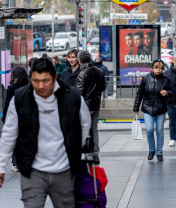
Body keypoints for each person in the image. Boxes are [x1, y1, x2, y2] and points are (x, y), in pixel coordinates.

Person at [0, 58, 91, 207]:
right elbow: (9, 132)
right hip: (32, 171)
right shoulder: (21, 98)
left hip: (63, 170)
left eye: (45, 81)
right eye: (36, 81)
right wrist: (1, 166)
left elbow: (85, 122)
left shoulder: (71, 96)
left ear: (55, 77)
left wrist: (74, 146)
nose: (40, 86)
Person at [134, 60, 173, 161]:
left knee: (159, 131)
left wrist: (167, 93)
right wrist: (136, 107)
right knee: (149, 129)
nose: (158, 70)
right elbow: (140, 93)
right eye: (156, 67)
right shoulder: (146, 78)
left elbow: (173, 92)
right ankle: (152, 150)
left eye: (160, 68)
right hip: (148, 107)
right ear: (152, 68)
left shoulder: (166, 79)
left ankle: (159, 152)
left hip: (161, 108)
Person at [76, 50, 106, 163]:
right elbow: (103, 87)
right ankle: (95, 154)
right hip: (96, 105)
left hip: (85, 106)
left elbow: (79, 92)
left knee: (84, 130)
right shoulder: (99, 71)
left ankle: (87, 152)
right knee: (94, 130)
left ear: (79, 60)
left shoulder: (82, 74)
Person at [2, 67, 30, 172]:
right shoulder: (28, 86)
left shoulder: (11, 88)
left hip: (14, 116)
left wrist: (5, 117)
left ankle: (15, 163)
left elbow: (7, 103)